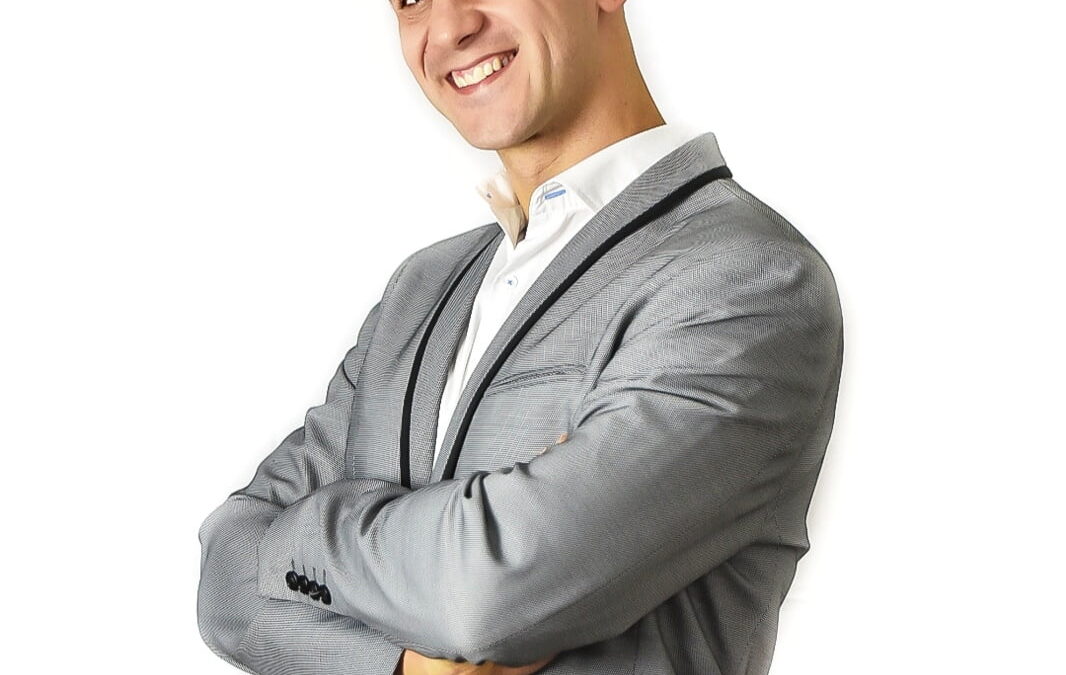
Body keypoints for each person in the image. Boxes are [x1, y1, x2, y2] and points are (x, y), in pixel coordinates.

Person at [196, 1, 844, 674]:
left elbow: (485, 592)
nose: (449, 28)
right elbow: (224, 578)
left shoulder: (745, 280)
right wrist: (402, 665)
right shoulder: (424, 288)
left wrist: (297, 533)